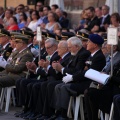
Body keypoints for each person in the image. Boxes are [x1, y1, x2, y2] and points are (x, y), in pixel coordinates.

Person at [53, 34, 106, 120]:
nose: (87, 43)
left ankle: (64, 115)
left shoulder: (98, 56)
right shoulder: (91, 55)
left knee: (64, 87)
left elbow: (89, 72)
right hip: (83, 80)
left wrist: (73, 78)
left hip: (89, 83)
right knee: (59, 86)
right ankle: (58, 112)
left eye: (89, 41)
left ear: (95, 45)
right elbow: (83, 70)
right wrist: (76, 75)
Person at [84, 43, 120, 120]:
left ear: (115, 47)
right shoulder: (107, 56)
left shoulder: (118, 58)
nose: (106, 47)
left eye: (108, 45)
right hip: (104, 84)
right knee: (88, 92)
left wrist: (107, 77)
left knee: (91, 93)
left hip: (113, 88)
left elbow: (115, 77)